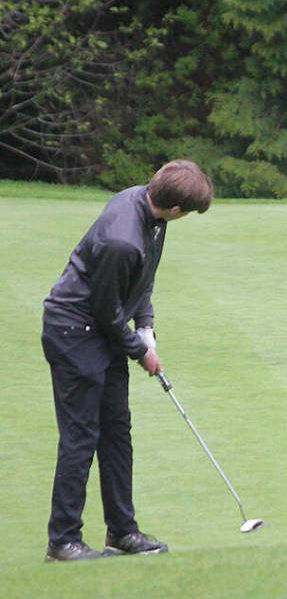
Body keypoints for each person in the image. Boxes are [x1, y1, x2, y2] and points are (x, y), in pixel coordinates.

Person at [41, 160, 214, 561]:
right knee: (81, 436)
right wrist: (141, 352)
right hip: (74, 333)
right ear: (175, 209)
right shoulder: (123, 239)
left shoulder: (151, 211)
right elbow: (105, 310)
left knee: (116, 432)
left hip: (102, 332)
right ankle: (63, 540)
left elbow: (143, 278)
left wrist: (147, 326)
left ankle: (122, 531)